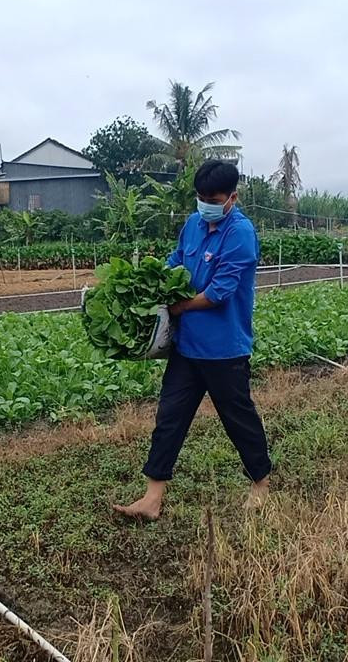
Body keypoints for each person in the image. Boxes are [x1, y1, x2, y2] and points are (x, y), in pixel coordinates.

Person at [113, 160, 271, 520]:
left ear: (232, 197)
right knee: (170, 416)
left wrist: (180, 306)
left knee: (237, 416)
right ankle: (152, 498)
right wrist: (153, 281)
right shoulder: (193, 224)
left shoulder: (240, 234)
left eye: (212, 198)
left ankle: (260, 482)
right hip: (187, 347)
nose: (205, 203)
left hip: (224, 349)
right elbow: (176, 261)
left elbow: (220, 292)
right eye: (200, 196)